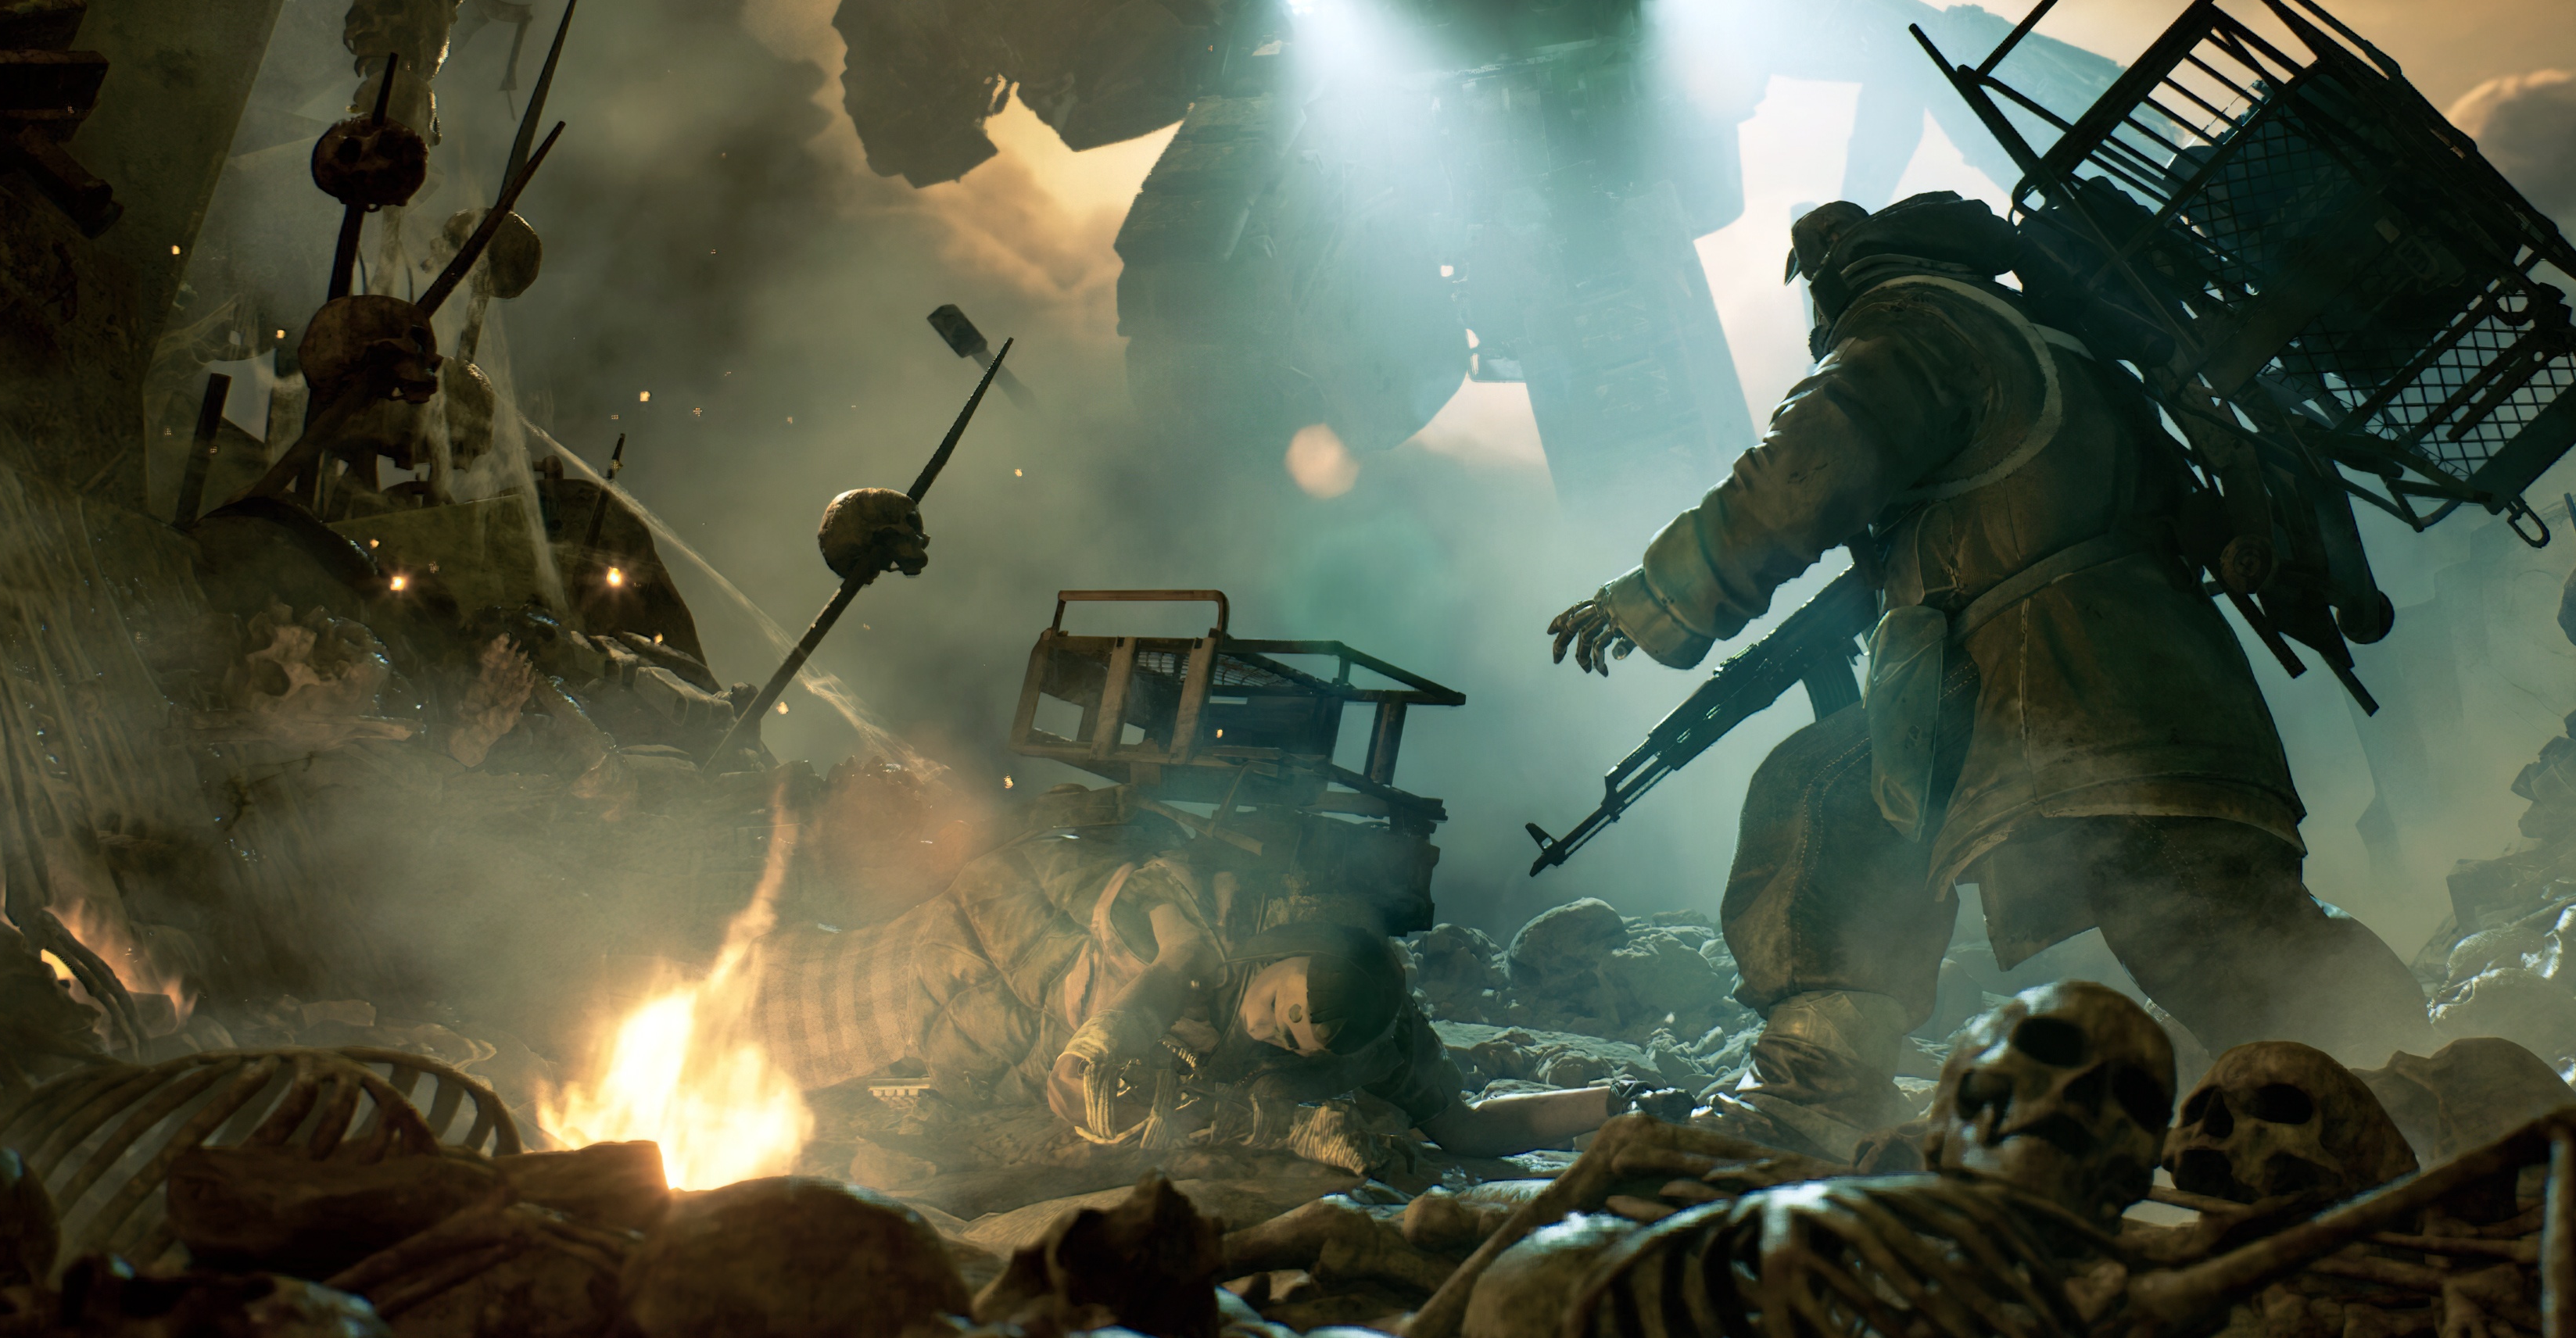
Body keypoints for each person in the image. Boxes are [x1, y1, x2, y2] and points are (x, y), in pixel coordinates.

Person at [1547, 192, 2427, 1156]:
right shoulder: (2039, 333)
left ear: (1836, 273)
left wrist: (1649, 596)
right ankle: (2408, 1078)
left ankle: (1810, 1101)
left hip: (2061, 695)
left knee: (1824, 803)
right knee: (2223, 931)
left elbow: (1803, 470)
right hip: (2149, 690)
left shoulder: (1912, 327)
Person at [743, 823, 1632, 1178]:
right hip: (945, 968)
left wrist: (1614, 1105)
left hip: (974, 1062)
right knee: (758, 1022)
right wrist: (1102, 1039)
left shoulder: (1371, 1039)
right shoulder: (1200, 916)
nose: (1276, 1033)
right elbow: (1157, 969)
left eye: (1298, 1042)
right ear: (1282, 954)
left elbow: (1465, 1128)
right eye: (1284, 1007)